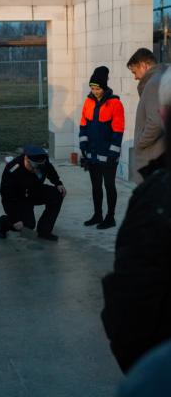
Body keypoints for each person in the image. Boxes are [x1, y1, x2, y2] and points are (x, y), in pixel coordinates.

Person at [101, 66, 171, 374]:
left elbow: (130, 317)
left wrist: (135, 144)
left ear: (165, 114)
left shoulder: (156, 202)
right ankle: (98, 215)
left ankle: (104, 215)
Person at [79, 66, 125, 229]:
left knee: (109, 186)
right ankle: (97, 215)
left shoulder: (115, 104)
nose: (95, 91)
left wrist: (113, 152)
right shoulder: (88, 102)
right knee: (96, 186)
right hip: (92, 154)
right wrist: (83, 143)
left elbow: (118, 130)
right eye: (92, 88)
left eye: (97, 88)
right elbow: (83, 125)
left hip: (108, 155)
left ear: (104, 87)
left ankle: (110, 217)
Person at [0, 145, 66, 241]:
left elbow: (50, 170)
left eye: (38, 166)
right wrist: (14, 219)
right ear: (26, 158)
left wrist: (58, 183)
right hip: (19, 198)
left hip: (35, 191)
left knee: (58, 194)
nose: (35, 169)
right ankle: (4, 222)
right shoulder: (13, 169)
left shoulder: (42, 161)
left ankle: (44, 231)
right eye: (33, 166)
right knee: (27, 225)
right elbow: (7, 196)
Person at [127, 48, 167, 184]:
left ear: (144, 65)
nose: (135, 77)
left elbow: (156, 122)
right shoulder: (163, 78)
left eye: (135, 72)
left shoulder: (154, 83)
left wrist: (140, 142)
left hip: (151, 158)